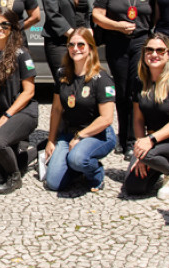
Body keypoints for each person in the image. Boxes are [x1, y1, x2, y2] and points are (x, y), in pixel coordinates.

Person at [92, 0, 156, 159]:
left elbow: (154, 18)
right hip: (117, 43)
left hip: (140, 43)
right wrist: (118, 26)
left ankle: (134, 139)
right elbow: (97, 16)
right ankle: (122, 137)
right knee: (121, 89)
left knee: (136, 89)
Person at [44, 27, 117, 192]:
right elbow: (56, 110)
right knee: (54, 183)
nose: (75, 49)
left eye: (81, 45)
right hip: (69, 133)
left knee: (77, 158)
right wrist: (51, 140)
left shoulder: (102, 79)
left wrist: (80, 136)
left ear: (90, 48)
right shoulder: (62, 74)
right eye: (71, 45)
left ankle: (95, 173)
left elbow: (106, 119)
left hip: (97, 134)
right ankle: (77, 166)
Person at [122, 34, 169, 200]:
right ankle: (163, 161)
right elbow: (138, 119)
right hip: (154, 140)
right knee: (134, 187)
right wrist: (140, 147)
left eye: (160, 50)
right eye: (150, 50)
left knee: (147, 154)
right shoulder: (139, 81)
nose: (154, 54)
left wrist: (149, 142)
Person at [0, 7, 39, 194]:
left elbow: (29, 92)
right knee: (1, 168)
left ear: (13, 27)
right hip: (3, 114)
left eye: (5, 24)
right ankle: (38, 150)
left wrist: (6, 116)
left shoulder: (22, 54)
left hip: (23, 113)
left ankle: (15, 179)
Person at [40, 0, 90, 87]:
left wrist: (88, 30)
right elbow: (52, 14)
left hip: (80, 43)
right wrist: (73, 35)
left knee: (82, 84)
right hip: (59, 43)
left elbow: (86, 11)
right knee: (66, 84)